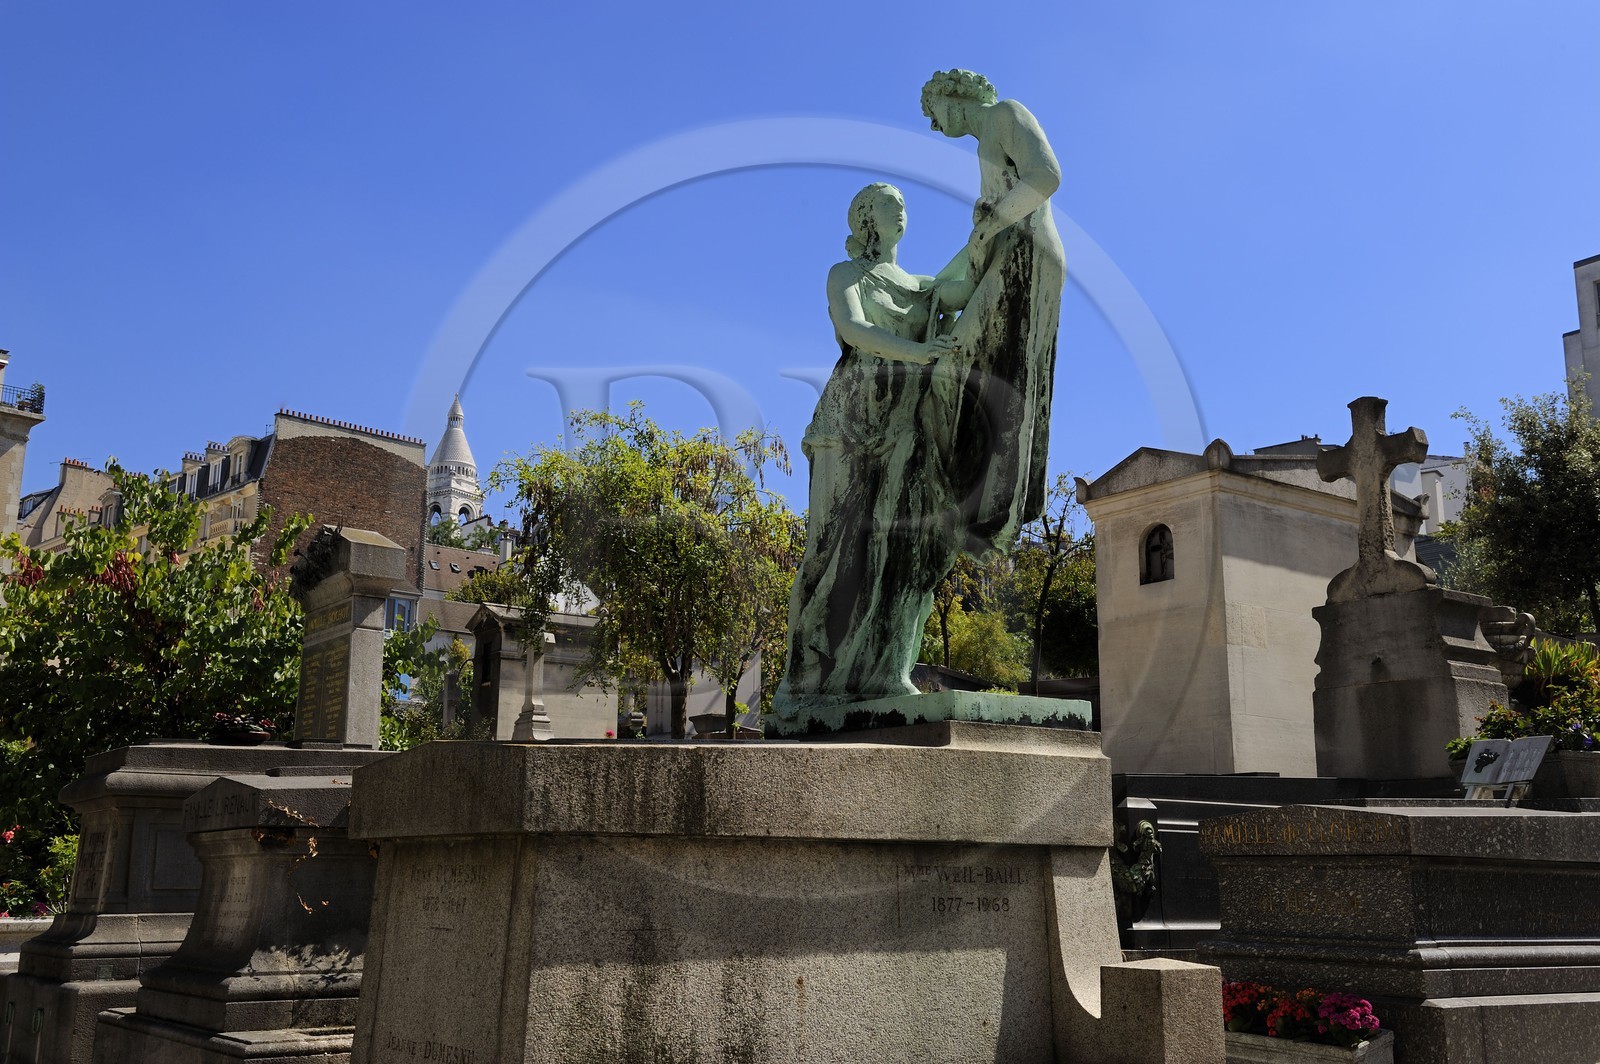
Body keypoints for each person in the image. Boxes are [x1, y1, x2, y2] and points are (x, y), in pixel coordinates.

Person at [774, 183, 970, 711]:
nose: (901, 210)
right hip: (849, 419)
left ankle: (885, 671)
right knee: (833, 547)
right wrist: (920, 352)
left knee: (897, 546)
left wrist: (1002, 221)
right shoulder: (845, 275)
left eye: (904, 204)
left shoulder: (919, 285)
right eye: (889, 203)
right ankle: (807, 677)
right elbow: (854, 329)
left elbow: (968, 278)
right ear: (865, 218)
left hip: (904, 422)